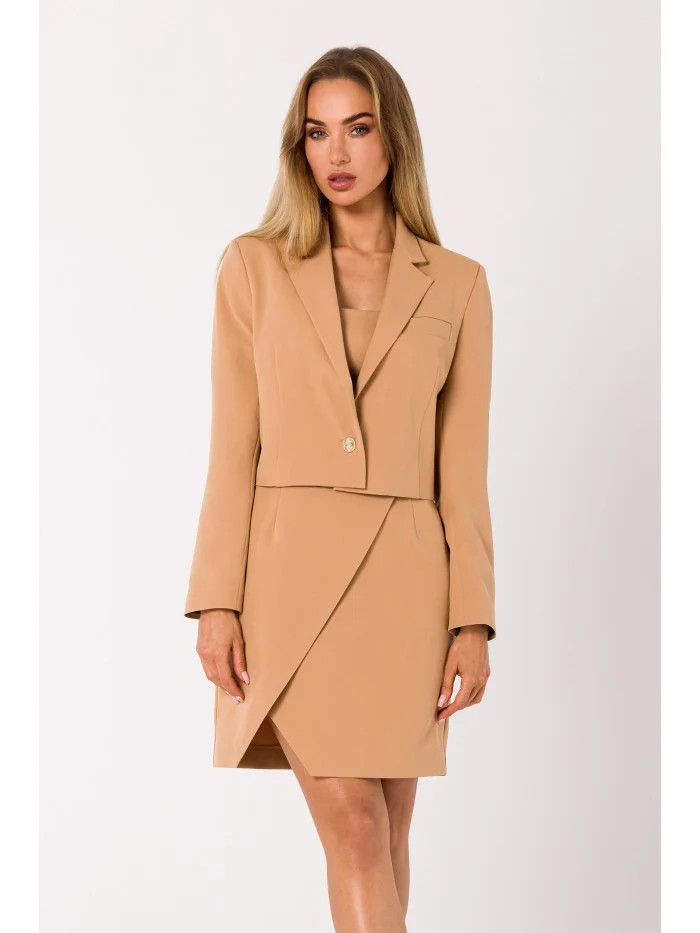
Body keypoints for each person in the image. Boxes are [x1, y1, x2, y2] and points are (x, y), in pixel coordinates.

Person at [184, 45, 495, 932]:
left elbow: (463, 471)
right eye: (317, 133)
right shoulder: (252, 267)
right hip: (289, 585)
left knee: (387, 832)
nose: (337, 153)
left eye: (357, 128)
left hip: (406, 585)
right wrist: (216, 600)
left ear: (394, 138)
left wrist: (472, 620)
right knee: (355, 827)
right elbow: (231, 448)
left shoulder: (459, 285)